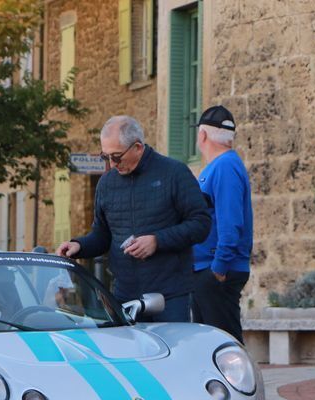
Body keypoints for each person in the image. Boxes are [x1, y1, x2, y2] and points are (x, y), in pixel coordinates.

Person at [55, 115, 210, 322]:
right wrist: (78, 246)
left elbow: (201, 223)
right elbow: (102, 236)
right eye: (106, 156)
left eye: (117, 156)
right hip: (124, 294)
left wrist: (157, 241)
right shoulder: (106, 184)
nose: (112, 164)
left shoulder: (175, 173)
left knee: (173, 352)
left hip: (170, 293)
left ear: (138, 147)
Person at [191, 105, 253, 343]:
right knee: (212, 345)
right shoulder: (220, 166)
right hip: (209, 269)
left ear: (202, 135)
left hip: (217, 271)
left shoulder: (225, 167)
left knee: (223, 345)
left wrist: (219, 268)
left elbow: (231, 222)